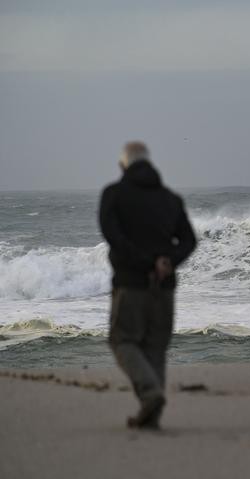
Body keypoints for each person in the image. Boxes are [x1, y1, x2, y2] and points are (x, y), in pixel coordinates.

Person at [99, 141, 197, 429]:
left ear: (123, 165)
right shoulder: (171, 199)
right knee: (155, 348)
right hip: (164, 288)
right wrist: (167, 261)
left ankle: (150, 394)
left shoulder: (114, 195)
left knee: (122, 341)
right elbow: (189, 241)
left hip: (131, 284)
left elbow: (113, 235)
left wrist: (144, 262)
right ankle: (151, 416)